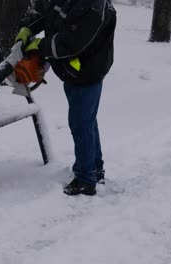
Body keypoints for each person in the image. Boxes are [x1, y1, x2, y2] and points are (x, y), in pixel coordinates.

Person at [14, 0, 117, 196]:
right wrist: (27, 29)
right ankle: (95, 170)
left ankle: (86, 179)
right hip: (72, 71)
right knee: (86, 121)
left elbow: (73, 42)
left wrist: (39, 46)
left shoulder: (95, 6)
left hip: (88, 72)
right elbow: (45, 12)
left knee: (81, 123)